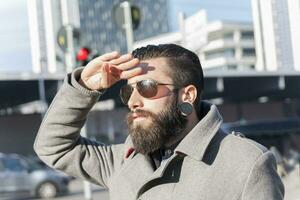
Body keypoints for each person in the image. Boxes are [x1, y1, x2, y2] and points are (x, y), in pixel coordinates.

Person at [34, 44, 284, 200]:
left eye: (146, 87)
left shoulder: (246, 163)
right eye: (128, 91)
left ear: (187, 95)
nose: (133, 100)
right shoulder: (123, 161)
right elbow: (53, 147)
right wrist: (84, 87)